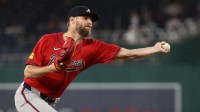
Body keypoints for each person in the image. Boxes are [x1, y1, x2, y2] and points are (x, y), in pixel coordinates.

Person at [14, 6, 170, 112]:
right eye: (85, 18)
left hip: (49, 102)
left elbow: (129, 53)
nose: (90, 22)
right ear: (72, 20)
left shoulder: (93, 47)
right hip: (28, 94)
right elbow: (28, 72)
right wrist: (53, 68)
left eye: (91, 20)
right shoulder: (48, 40)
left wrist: (155, 48)